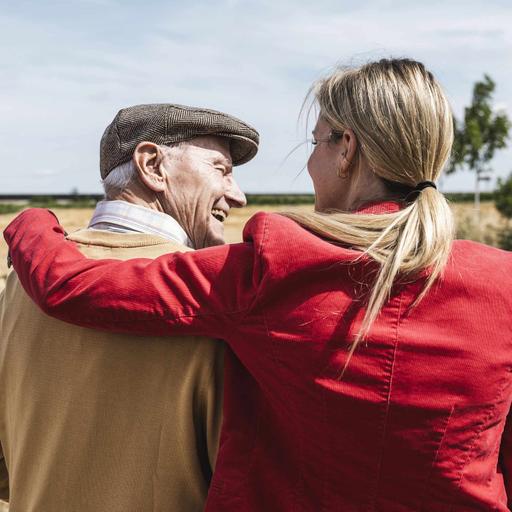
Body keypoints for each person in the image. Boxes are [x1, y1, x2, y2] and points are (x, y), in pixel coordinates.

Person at [5, 58, 512, 511]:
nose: (241, 193)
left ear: (347, 150)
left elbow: (66, 286)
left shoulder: (280, 268)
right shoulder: (502, 283)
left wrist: (30, 222)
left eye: (314, 143)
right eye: (221, 169)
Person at [0, 103, 259, 511]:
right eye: (221, 169)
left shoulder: (20, 282)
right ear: (153, 165)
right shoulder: (216, 298)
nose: (238, 195)